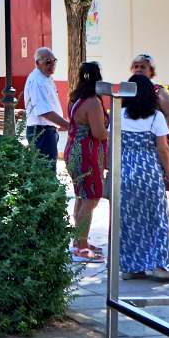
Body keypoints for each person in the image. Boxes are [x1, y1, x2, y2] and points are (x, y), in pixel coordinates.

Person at [118, 74, 169, 282]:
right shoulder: (156, 117)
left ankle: (132, 267)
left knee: (129, 220)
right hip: (149, 173)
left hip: (124, 172)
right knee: (157, 219)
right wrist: (168, 176)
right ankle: (160, 265)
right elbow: (163, 149)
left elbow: (111, 147)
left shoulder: (120, 114)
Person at [65, 62, 109, 263]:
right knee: (90, 199)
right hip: (86, 154)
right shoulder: (93, 102)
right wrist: (116, 134)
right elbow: (99, 132)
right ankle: (81, 247)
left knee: (82, 197)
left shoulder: (75, 98)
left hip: (74, 151)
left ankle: (79, 241)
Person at [23, 47, 68, 167]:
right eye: (48, 62)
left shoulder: (46, 78)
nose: (52, 64)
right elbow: (45, 111)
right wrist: (68, 125)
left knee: (47, 170)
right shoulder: (37, 80)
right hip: (41, 132)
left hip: (48, 131)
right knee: (46, 171)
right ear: (38, 63)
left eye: (54, 61)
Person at [129, 53, 169, 127]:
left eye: (143, 67)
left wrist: (155, 132)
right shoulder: (127, 90)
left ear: (151, 71)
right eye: (136, 67)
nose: (138, 69)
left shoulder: (159, 91)